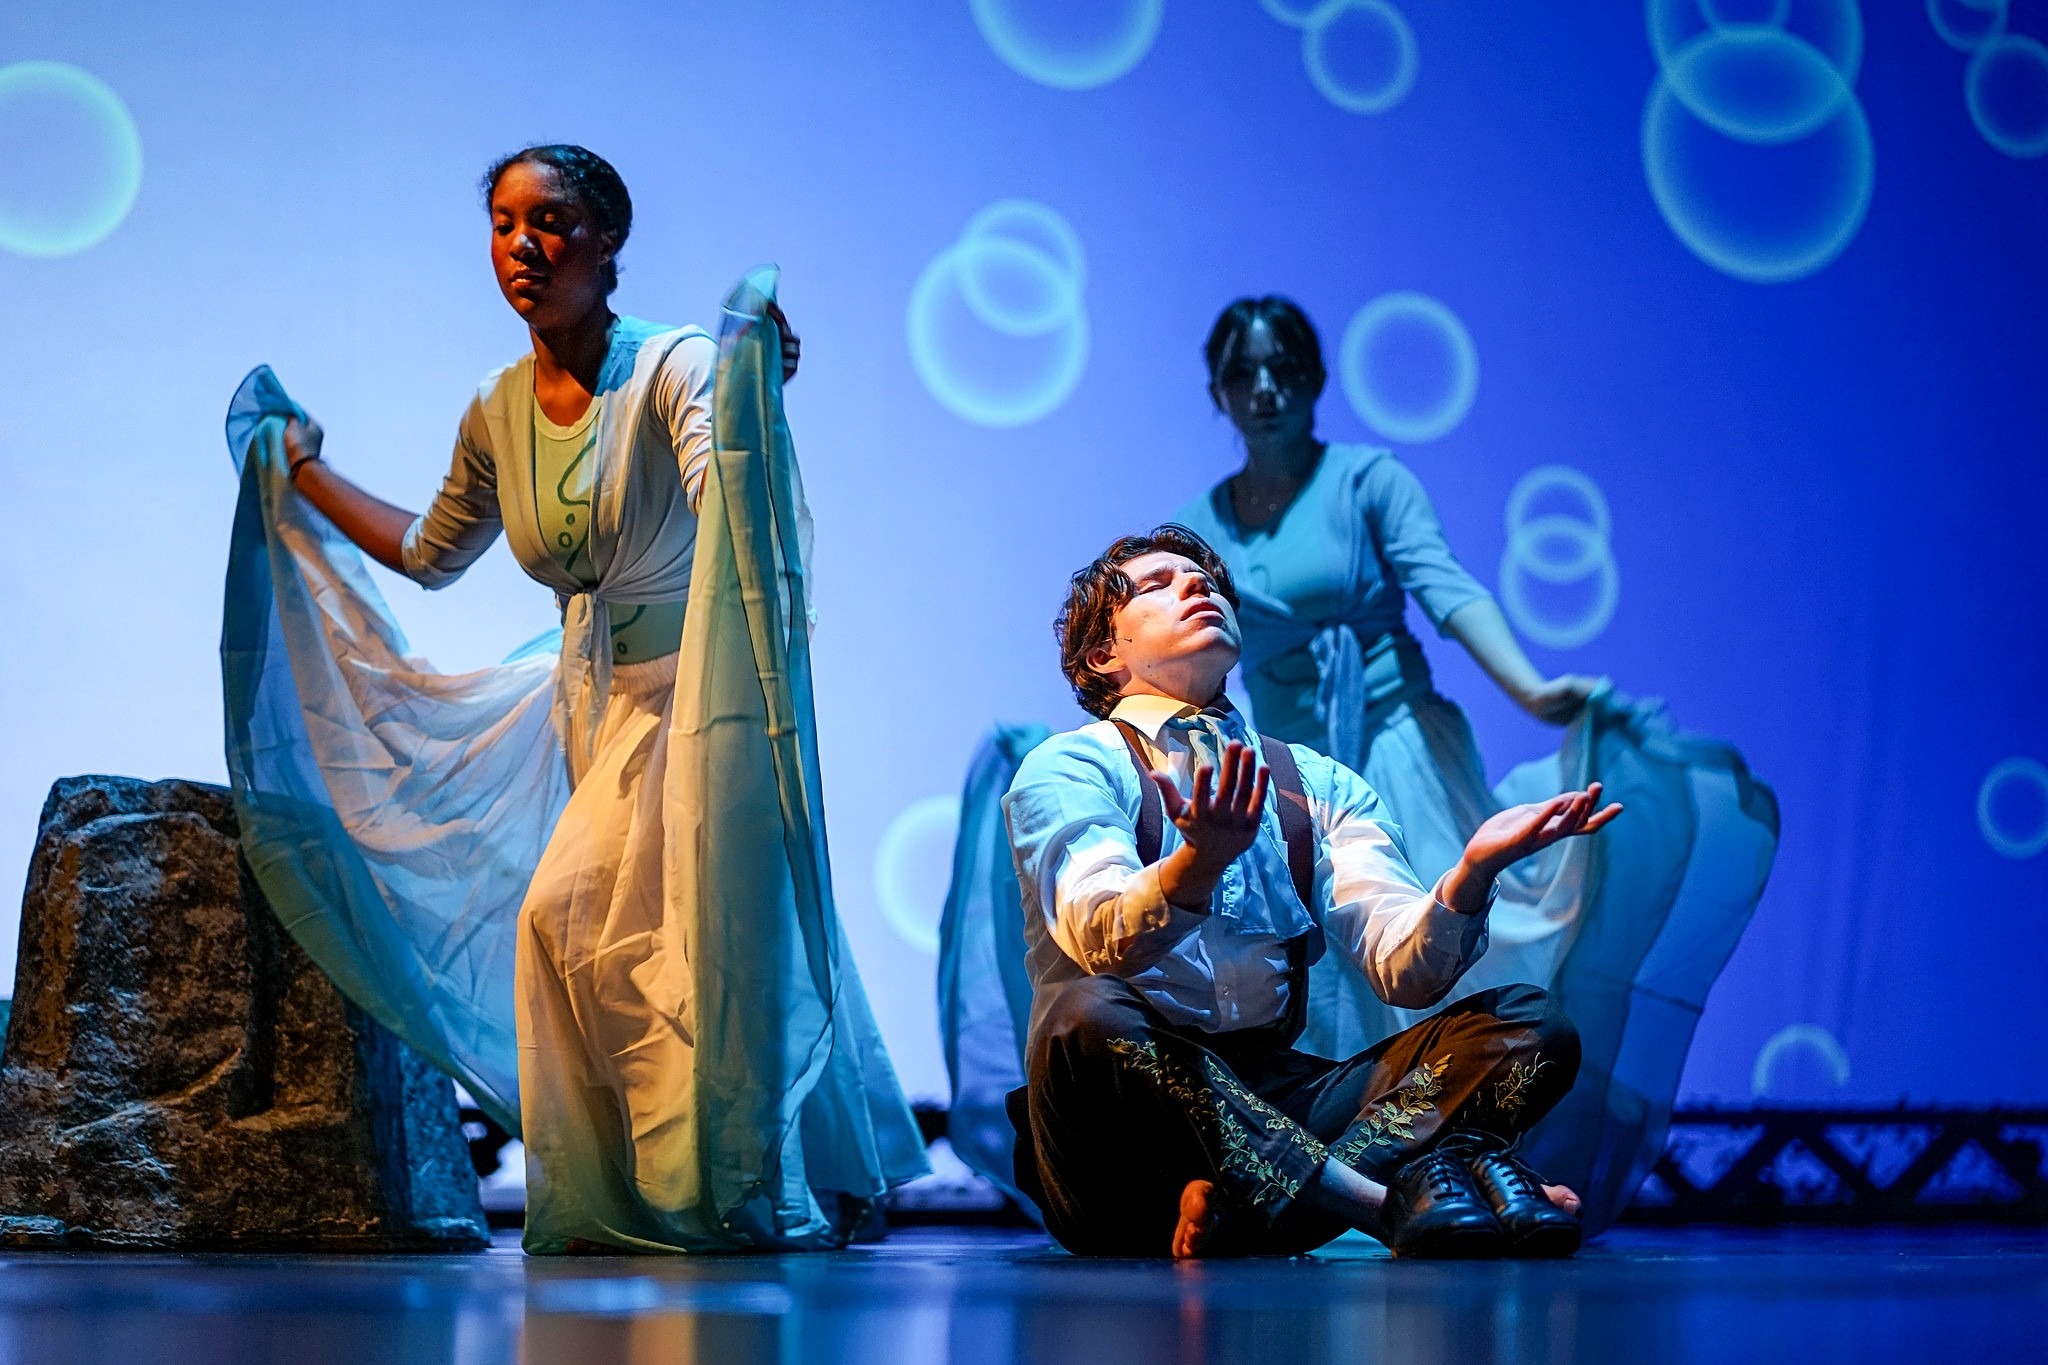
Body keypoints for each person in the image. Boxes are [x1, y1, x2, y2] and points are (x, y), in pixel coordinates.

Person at [219, 145, 926, 1253]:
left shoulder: (674, 367)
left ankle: (709, 1188)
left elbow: (727, 485)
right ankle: (767, 1177)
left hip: (697, 703)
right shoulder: (499, 409)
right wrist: (298, 472)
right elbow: (426, 552)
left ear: (608, 242)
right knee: (692, 936)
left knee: (595, 922)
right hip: (589, 704)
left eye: (550, 221)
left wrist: (750, 392)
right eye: (503, 224)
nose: (523, 246)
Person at [1171, 297, 1778, 1229]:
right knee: (1311, 977)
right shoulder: (1201, 521)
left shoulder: (1368, 481)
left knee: (1423, 950)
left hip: (1395, 742)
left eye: (1285, 367)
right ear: (1216, 391)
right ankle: (1345, 1196)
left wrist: (1534, 691)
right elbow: (1187, 656)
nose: (1266, 389)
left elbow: (1446, 588)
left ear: (1316, 379)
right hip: (1288, 763)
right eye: (1245, 373)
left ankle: (1470, 1174)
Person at [1002, 525, 1621, 1258]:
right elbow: (1100, 930)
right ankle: (1393, 1200)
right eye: (1158, 584)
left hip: (1269, 1096)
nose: (1197, 586)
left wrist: (1471, 874)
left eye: (1205, 580)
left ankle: (1244, 1215)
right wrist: (1194, 864)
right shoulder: (1069, 764)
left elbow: (1406, 970)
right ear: (1104, 653)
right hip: (1118, 1134)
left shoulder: (1312, 782)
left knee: (1532, 1027)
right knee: (1085, 1013)